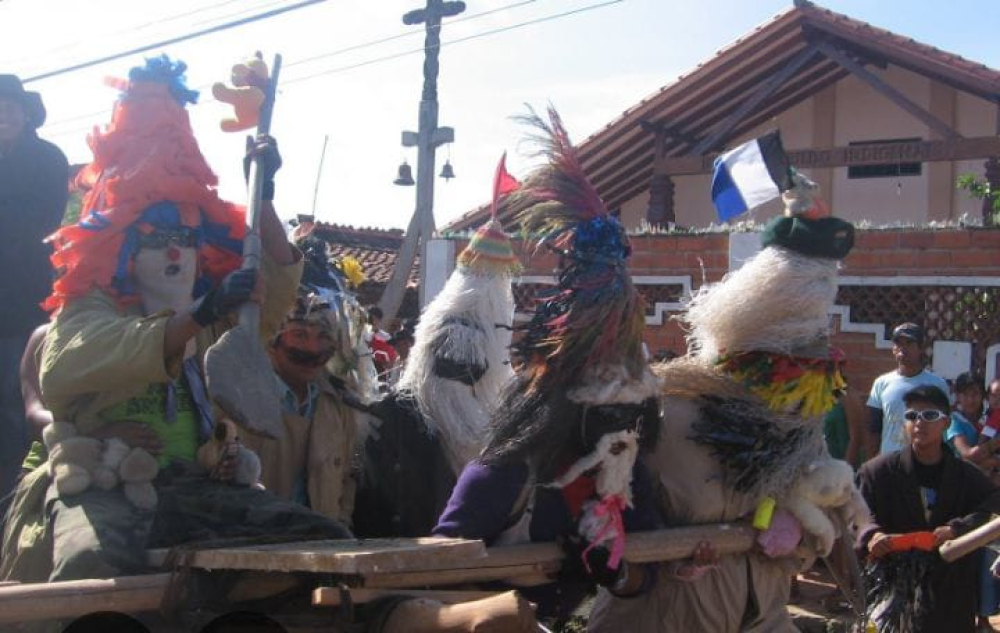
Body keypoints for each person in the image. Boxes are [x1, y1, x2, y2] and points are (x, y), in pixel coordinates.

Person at [0, 57, 349, 586]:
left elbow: (277, 279)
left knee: (327, 548)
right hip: (101, 484)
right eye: (155, 240)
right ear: (119, 250)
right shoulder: (89, 309)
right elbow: (68, 365)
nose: (173, 254)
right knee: (86, 569)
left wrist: (266, 195)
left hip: (199, 485)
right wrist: (198, 314)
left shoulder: (216, 316)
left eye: (184, 239)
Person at [433, 108, 661, 628]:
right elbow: (436, 567)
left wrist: (616, 574)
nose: (618, 423)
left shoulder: (627, 475)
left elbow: (650, 567)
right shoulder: (504, 472)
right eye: (605, 408)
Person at [353, 155, 521, 538]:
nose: (459, 369)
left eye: (471, 365)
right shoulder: (393, 419)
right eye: (448, 357)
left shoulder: (496, 420)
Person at [859, 384, 1000, 632]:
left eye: (929, 415)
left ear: (946, 424)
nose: (919, 422)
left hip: (950, 590)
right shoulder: (878, 472)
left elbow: (992, 508)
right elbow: (857, 515)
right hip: (894, 585)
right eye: (911, 416)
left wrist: (957, 529)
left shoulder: (966, 475)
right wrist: (872, 534)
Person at [0, 74, 69, 499]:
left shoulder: (46, 158)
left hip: (23, 306)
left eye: (8, 107)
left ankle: (13, 499)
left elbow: (39, 224)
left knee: (15, 407)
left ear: (25, 114)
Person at [867, 322, 949, 455]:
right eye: (898, 344)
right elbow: (874, 429)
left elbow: (943, 428)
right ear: (893, 349)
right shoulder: (881, 383)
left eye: (909, 343)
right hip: (890, 462)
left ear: (921, 348)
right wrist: (871, 465)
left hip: (924, 461)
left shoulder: (937, 384)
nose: (903, 348)